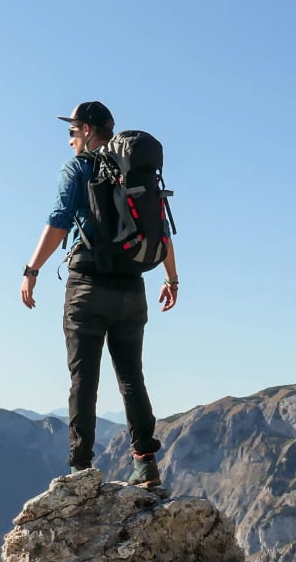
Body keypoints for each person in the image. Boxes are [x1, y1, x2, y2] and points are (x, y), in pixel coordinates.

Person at [20, 101, 178, 488]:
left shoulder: (78, 168)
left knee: (83, 380)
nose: (70, 139)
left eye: (73, 131)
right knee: (131, 378)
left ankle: (82, 470)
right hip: (131, 289)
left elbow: (58, 223)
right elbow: (161, 229)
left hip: (87, 289)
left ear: (89, 130)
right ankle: (146, 466)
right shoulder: (135, 174)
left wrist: (31, 270)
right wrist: (171, 279)